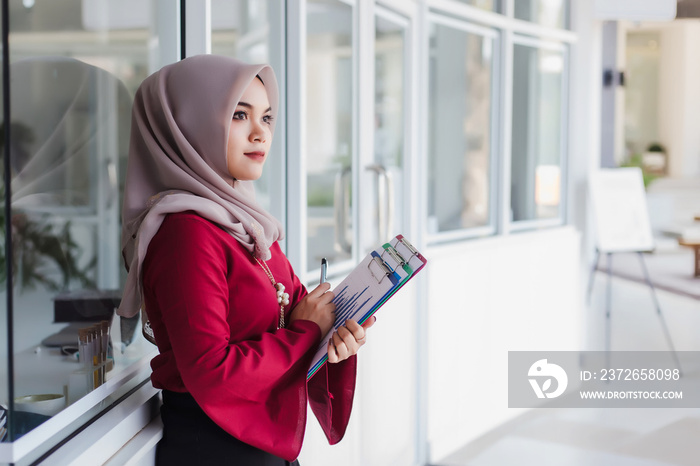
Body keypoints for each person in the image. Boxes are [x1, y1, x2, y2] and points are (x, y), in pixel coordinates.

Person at [117, 54, 375, 465]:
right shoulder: (185, 232)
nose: (260, 134)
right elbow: (211, 370)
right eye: (239, 115)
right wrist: (308, 333)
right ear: (190, 125)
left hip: (258, 447)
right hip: (216, 450)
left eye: (267, 118)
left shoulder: (250, 227)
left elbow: (300, 318)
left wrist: (333, 339)